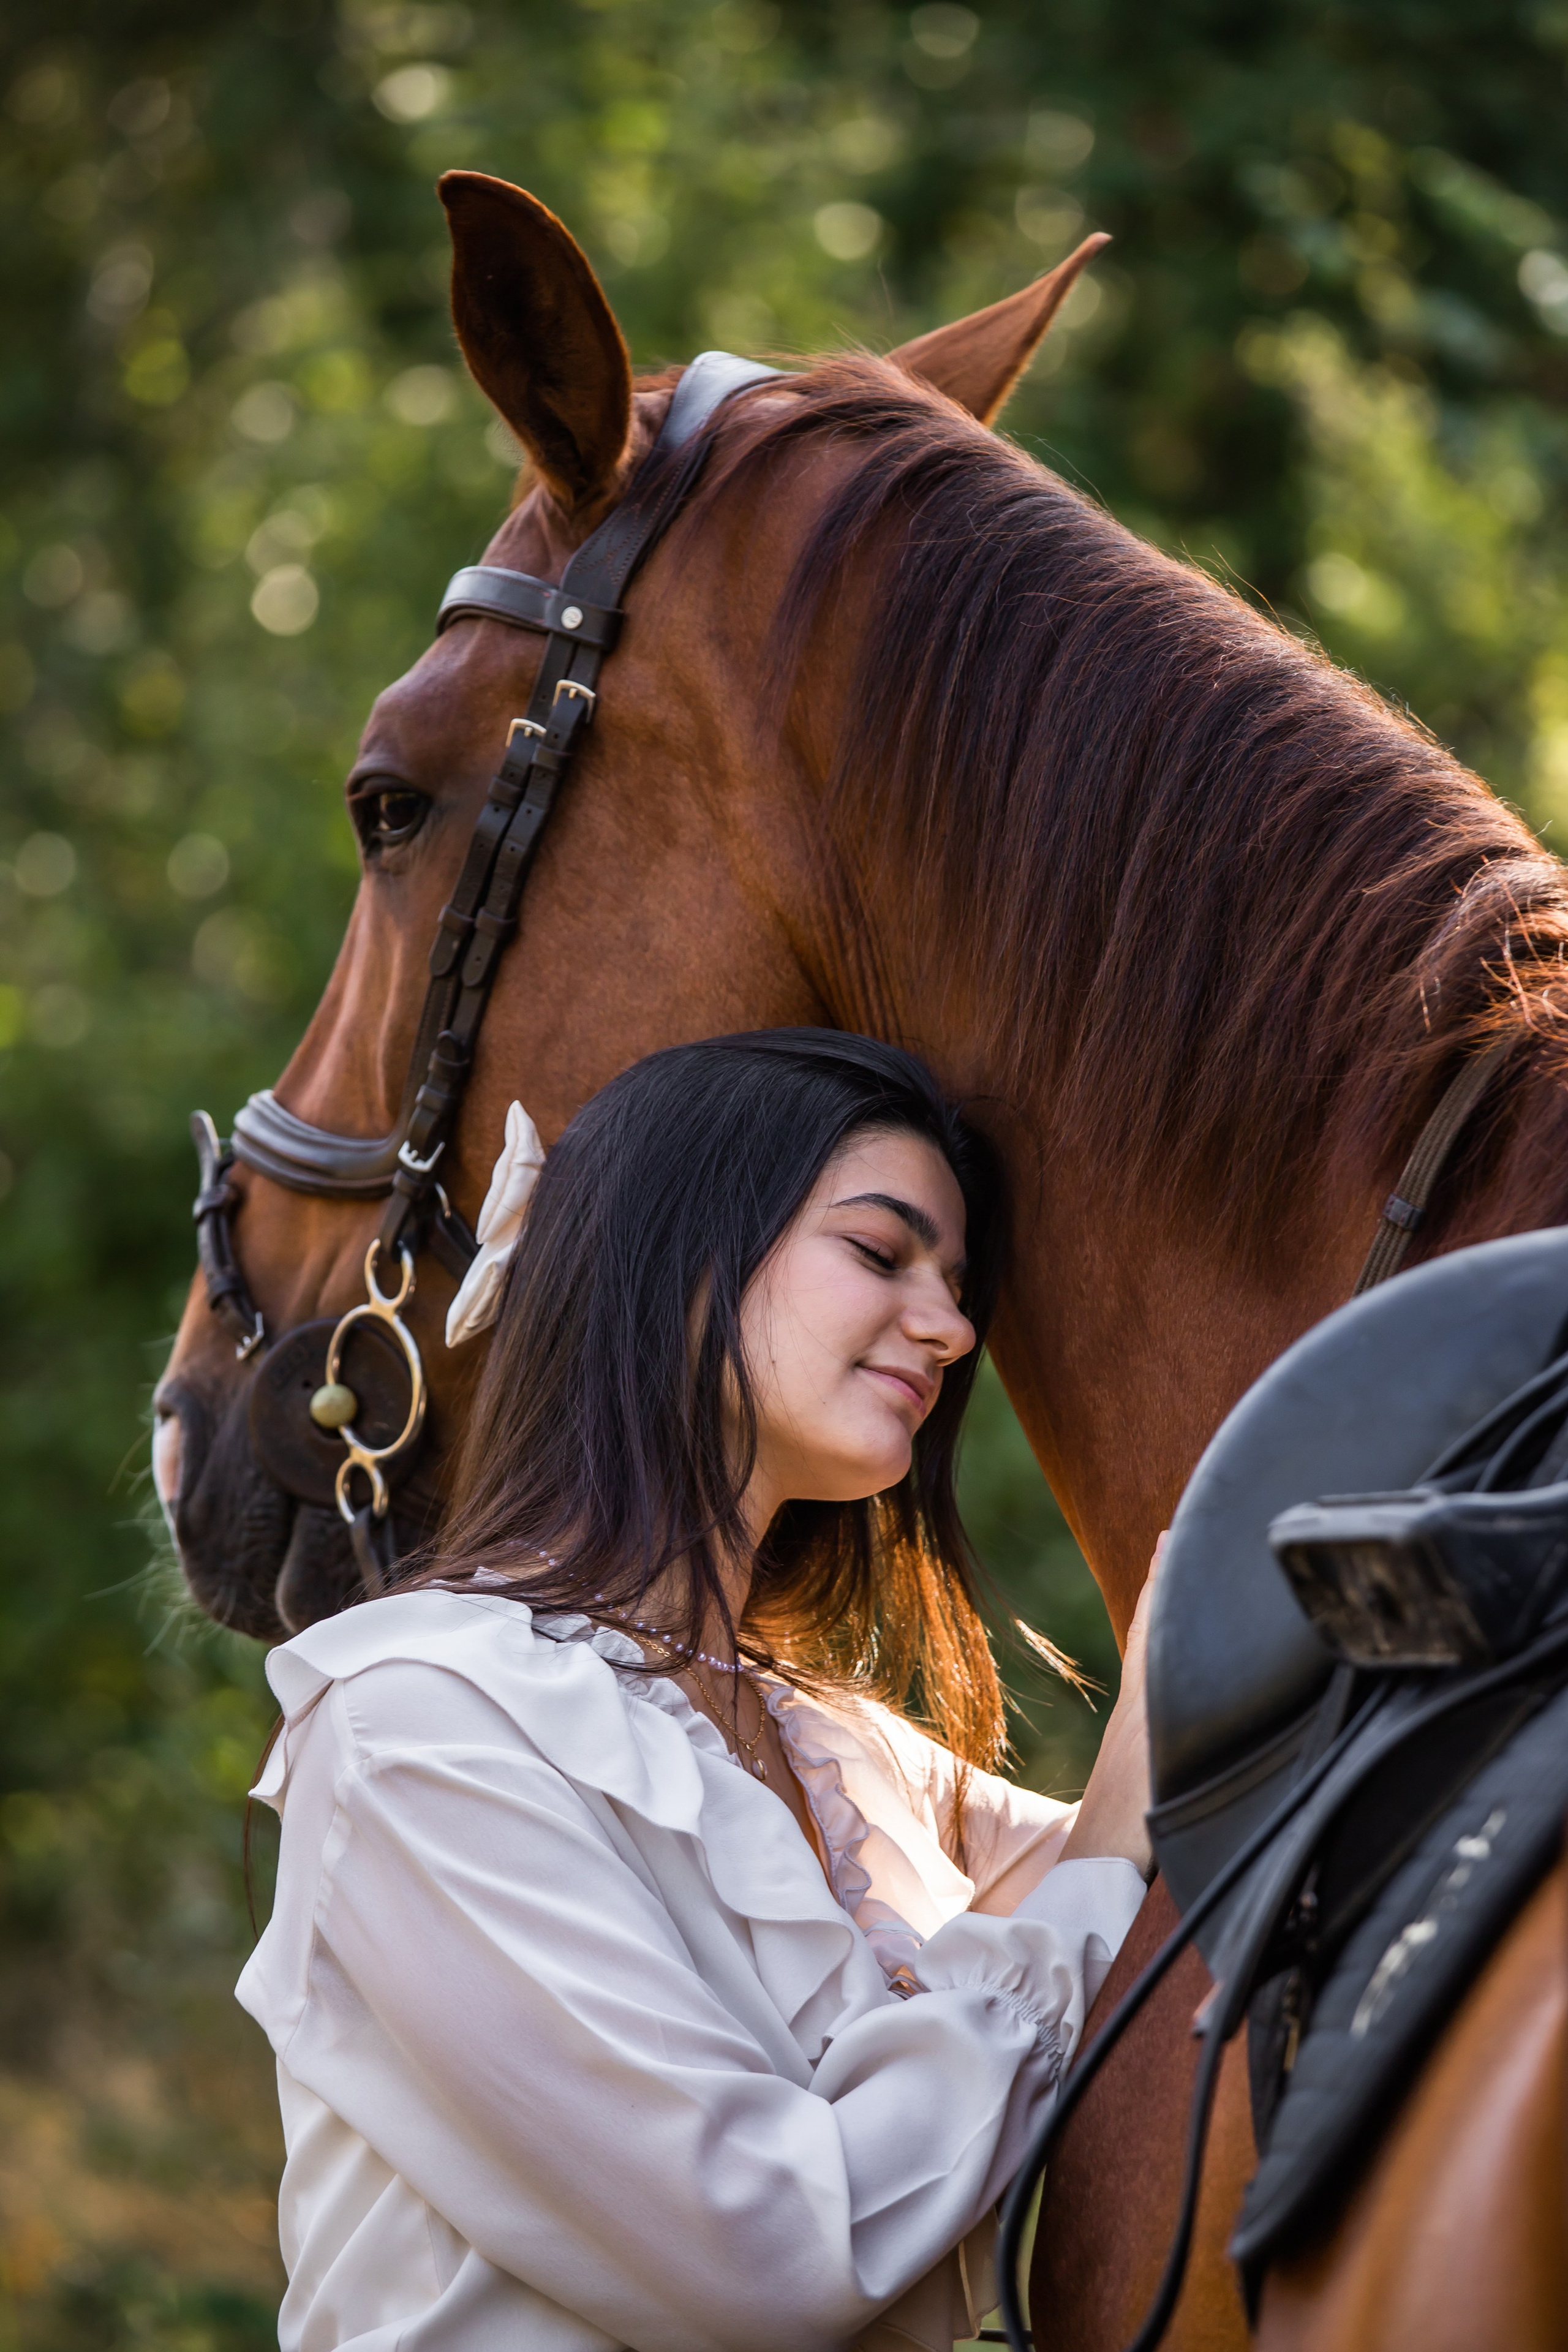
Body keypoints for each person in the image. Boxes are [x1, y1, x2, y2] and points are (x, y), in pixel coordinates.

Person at [239, 1030, 1156, 2352]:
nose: (952, 1328)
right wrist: (1118, 1825)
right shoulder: (418, 1723)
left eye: (955, 1285)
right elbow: (761, 2247)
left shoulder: (838, 1753)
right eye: (880, 1254)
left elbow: (1167, 1866)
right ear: (679, 1264)